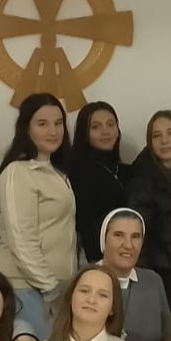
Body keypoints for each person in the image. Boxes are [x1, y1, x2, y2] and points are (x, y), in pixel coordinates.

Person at [0, 93, 78, 340]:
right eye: (42, 124)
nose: (53, 131)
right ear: (26, 128)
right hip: (25, 287)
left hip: (56, 287)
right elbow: (21, 240)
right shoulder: (18, 172)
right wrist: (49, 288)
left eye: (58, 123)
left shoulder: (58, 172)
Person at [123, 110, 171, 302]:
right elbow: (138, 240)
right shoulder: (141, 184)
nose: (164, 141)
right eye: (156, 136)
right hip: (161, 279)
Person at [98, 208, 171, 341]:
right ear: (104, 240)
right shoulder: (83, 281)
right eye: (118, 235)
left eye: (135, 237)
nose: (128, 245)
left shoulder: (152, 281)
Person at [66, 101, 129, 263]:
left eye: (110, 124)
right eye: (95, 127)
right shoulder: (79, 172)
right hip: (98, 260)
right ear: (84, 134)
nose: (105, 131)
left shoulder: (122, 170)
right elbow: (86, 226)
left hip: (126, 254)